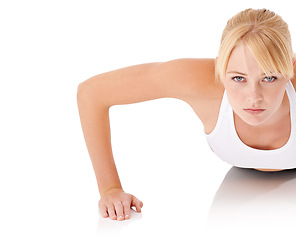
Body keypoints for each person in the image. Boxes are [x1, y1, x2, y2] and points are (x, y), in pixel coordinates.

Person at [77, 8, 296, 221]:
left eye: (269, 78)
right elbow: (92, 93)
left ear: (290, 69)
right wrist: (110, 188)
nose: (253, 97)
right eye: (238, 78)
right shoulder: (200, 82)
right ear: (220, 67)